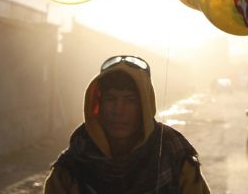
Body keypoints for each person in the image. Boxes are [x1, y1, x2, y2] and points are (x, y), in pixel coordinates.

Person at [45, 55, 211, 194]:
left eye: (130, 100)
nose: (119, 110)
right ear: (98, 105)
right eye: (111, 99)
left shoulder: (174, 156)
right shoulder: (72, 166)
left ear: (144, 106)